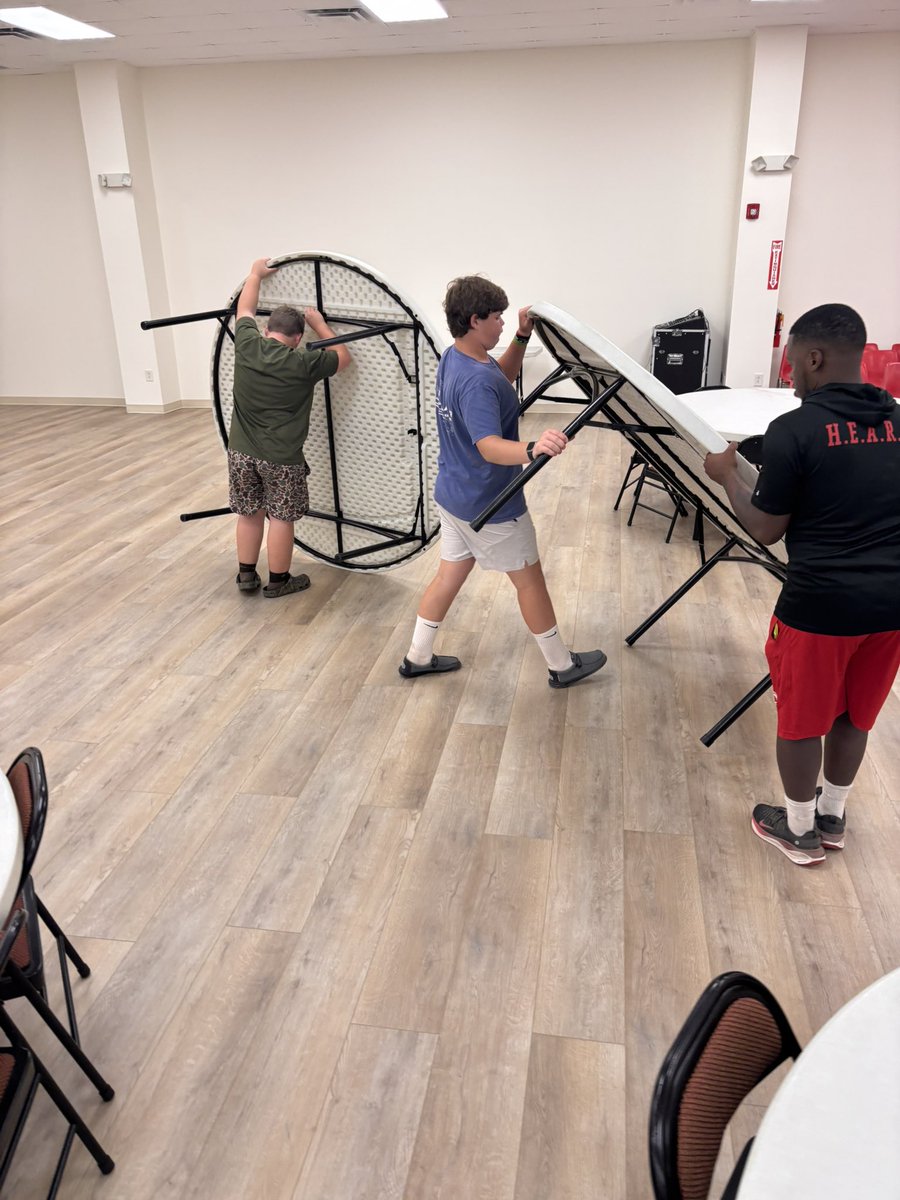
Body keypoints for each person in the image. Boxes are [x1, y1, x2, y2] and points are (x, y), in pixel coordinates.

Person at [704, 303, 900, 866]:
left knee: (800, 722)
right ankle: (833, 816)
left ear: (814, 357)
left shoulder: (794, 431)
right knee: (853, 716)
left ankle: (797, 830)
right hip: (889, 610)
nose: (788, 374)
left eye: (791, 362)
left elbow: (765, 529)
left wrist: (727, 480)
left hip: (819, 608)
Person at [399, 275, 606, 688]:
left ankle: (417, 656)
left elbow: (501, 380)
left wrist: (521, 335)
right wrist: (534, 447)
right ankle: (562, 666)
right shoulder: (474, 379)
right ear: (475, 319)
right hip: (491, 504)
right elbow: (489, 447)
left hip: (454, 496)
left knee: (449, 576)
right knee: (530, 581)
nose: (501, 323)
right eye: (496, 318)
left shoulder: (459, 357)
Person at [228, 258, 351, 597]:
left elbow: (245, 308)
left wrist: (254, 273)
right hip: (282, 458)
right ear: (297, 338)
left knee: (250, 513)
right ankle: (279, 581)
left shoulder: (248, 345)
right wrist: (321, 325)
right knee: (281, 517)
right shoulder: (303, 362)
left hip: (240, 451)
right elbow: (343, 358)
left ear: (268, 330)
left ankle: (247, 576)